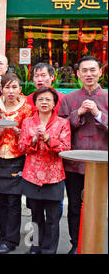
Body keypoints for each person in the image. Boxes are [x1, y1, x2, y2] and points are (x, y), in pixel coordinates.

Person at [58, 55, 108, 254]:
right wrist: (76, 114)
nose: (89, 74)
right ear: (78, 74)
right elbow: (59, 127)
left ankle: (95, 242)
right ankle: (75, 243)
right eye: (84, 71)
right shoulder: (69, 99)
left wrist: (97, 114)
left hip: (101, 162)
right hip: (74, 163)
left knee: (98, 205)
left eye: (92, 70)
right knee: (74, 207)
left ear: (100, 72)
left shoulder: (106, 98)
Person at [19, 87, 71, 254]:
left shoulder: (63, 123)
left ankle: (49, 250)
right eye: (40, 99)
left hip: (54, 177)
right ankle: (35, 247)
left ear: (54, 103)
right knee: (35, 216)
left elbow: (65, 148)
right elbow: (21, 148)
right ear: (35, 103)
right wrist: (33, 139)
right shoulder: (27, 122)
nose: (44, 102)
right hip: (32, 176)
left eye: (48, 99)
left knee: (53, 218)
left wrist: (48, 138)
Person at [0, 73, 34, 253]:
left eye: (14, 87)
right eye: (7, 87)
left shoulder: (27, 108)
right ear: (1, 89)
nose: (10, 91)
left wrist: (18, 131)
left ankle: (11, 239)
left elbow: (30, 134)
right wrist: (1, 129)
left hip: (18, 157)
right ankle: (4, 234)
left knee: (13, 199)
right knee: (0, 197)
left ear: (20, 89)